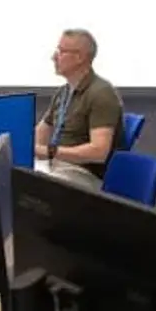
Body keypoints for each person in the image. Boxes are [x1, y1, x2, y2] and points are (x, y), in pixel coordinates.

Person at [33, 29, 122, 191]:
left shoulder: (101, 93)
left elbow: (99, 152)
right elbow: (41, 132)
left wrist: (50, 152)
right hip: (56, 168)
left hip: (82, 175)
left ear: (79, 57)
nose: (54, 57)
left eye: (61, 51)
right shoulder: (63, 92)